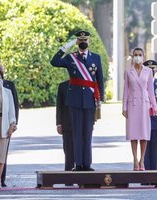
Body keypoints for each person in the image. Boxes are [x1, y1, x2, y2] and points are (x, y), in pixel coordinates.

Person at [51, 30, 104, 171]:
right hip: (74, 101)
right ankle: (78, 164)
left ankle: (87, 164)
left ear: (89, 41)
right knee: (77, 133)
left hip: (89, 100)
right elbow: (54, 62)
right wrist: (67, 45)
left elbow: (100, 79)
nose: (83, 42)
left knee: (87, 133)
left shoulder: (96, 58)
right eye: (80, 40)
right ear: (77, 42)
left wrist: (101, 99)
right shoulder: (71, 58)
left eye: (85, 40)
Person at [122, 48, 157, 171]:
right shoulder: (128, 71)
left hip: (144, 106)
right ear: (132, 56)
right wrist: (124, 107)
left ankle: (142, 160)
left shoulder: (148, 71)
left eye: (140, 55)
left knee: (143, 134)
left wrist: (154, 106)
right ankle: (135, 160)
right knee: (133, 134)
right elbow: (126, 90)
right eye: (135, 55)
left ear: (143, 56)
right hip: (132, 105)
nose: (137, 57)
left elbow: (151, 91)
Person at [56, 80, 74, 173]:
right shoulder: (63, 86)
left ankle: (81, 175)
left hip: (81, 124)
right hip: (67, 124)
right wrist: (59, 123)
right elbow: (59, 106)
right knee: (68, 151)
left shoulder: (85, 83)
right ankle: (69, 174)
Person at [143, 60, 157, 173]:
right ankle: (146, 174)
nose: (152, 70)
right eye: (149, 68)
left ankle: (155, 174)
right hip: (145, 118)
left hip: (156, 119)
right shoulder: (142, 84)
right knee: (146, 147)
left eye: (154, 68)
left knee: (155, 147)